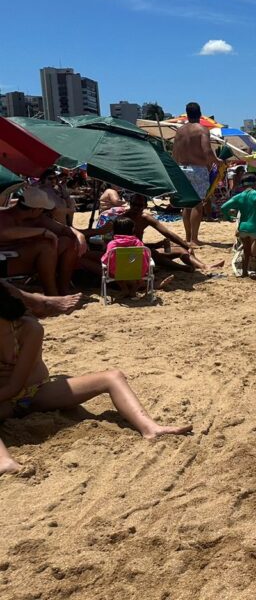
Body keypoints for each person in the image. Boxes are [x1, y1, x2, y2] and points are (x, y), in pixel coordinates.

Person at [0, 284, 190, 474]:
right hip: (3, 400)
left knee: (112, 377)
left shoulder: (29, 328)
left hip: (35, 392)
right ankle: (4, 460)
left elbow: (16, 385)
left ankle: (150, 427)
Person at [0, 186, 84, 296]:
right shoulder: (4, 216)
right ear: (35, 209)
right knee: (45, 246)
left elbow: (63, 229)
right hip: (5, 262)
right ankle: (52, 294)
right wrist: (42, 231)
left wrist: (79, 235)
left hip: (25, 258)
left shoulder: (37, 218)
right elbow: (4, 233)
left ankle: (64, 290)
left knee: (67, 242)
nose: (44, 213)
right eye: (43, 210)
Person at [124, 194, 221, 273]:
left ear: (145, 206)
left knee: (181, 250)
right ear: (130, 204)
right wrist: (155, 245)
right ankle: (182, 268)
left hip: (143, 249)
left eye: (139, 205)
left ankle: (204, 266)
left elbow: (167, 233)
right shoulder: (124, 220)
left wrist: (186, 245)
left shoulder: (145, 218)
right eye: (134, 204)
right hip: (131, 256)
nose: (136, 207)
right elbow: (127, 245)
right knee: (153, 252)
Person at [172, 102, 218, 247]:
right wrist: (218, 161)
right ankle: (194, 239)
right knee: (197, 204)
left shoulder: (179, 131)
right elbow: (207, 151)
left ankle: (187, 237)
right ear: (200, 114)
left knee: (186, 204)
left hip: (181, 168)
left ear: (187, 113)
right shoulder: (201, 129)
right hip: (197, 168)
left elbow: (174, 153)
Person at [221, 174, 256, 279]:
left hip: (243, 228)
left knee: (246, 250)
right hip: (255, 228)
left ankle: (244, 272)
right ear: (255, 183)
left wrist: (228, 217)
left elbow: (223, 207)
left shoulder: (238, 196)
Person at [100, 216, 153, 298]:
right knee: (140, 271)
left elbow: (107, 259)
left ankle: (124, 289)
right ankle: (133, 290)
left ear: (114, 230)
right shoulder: (138, 242)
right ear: (132, 229)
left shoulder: (113, 244)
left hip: (118, 272)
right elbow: (145, 255)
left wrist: (103, 260)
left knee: (112, 269)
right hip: (138, 271)